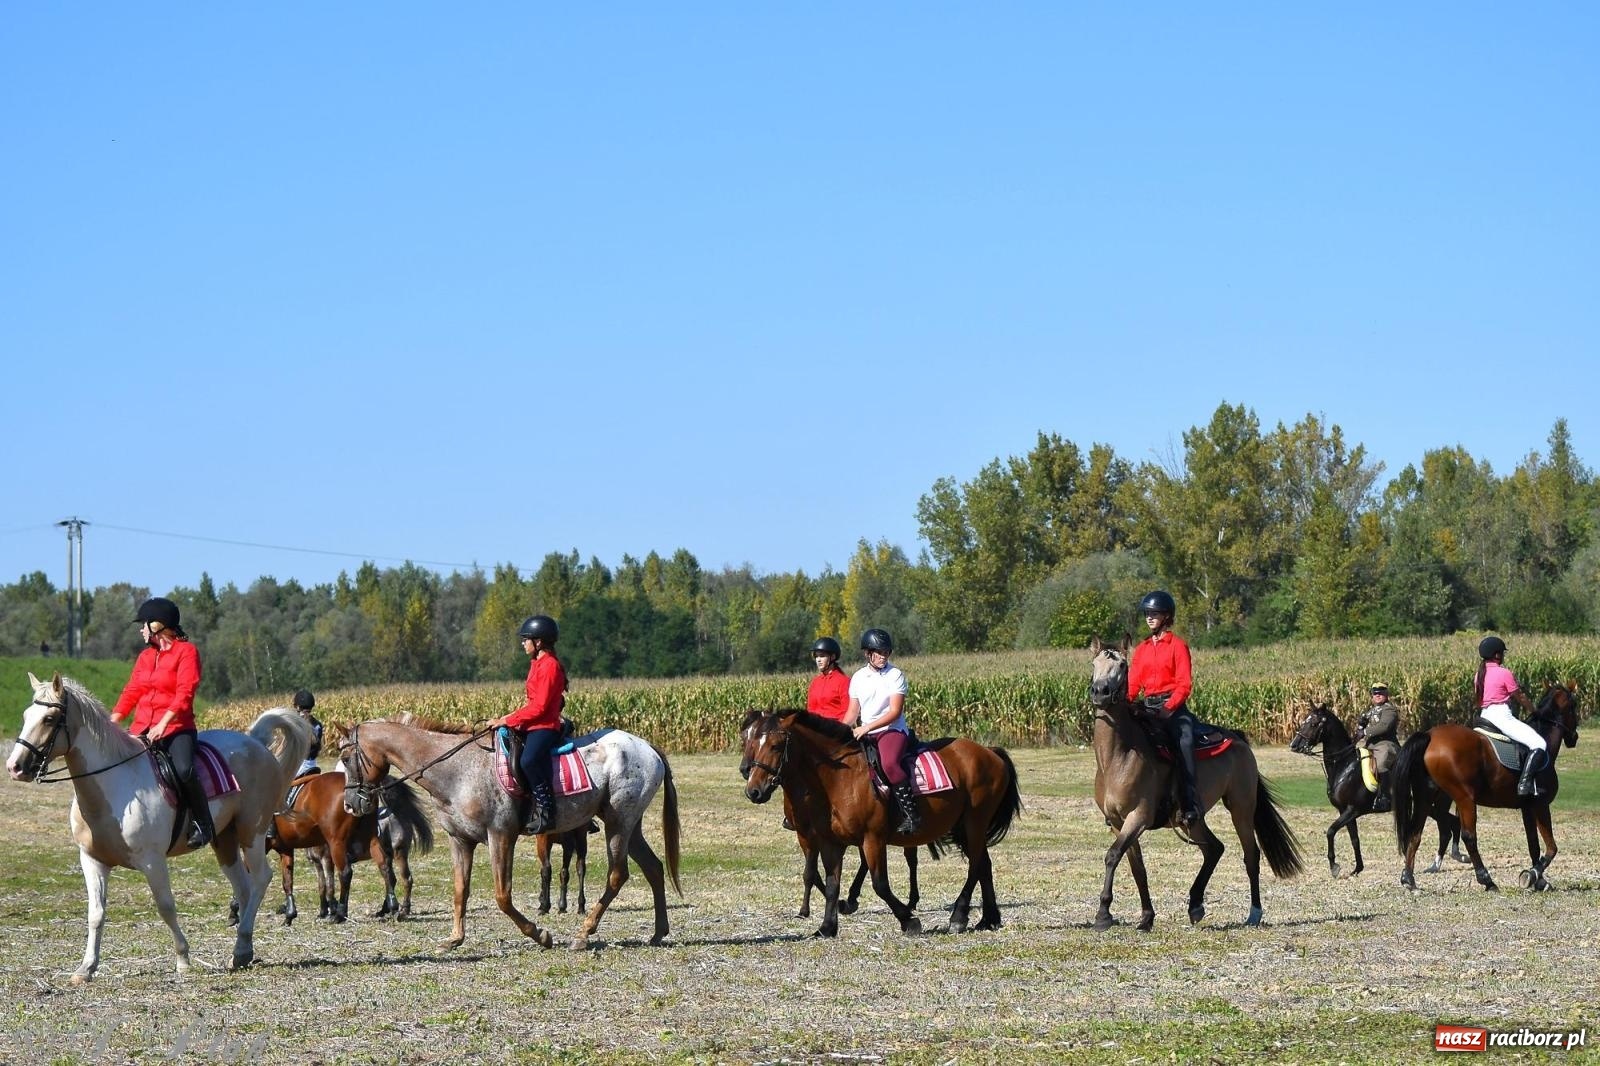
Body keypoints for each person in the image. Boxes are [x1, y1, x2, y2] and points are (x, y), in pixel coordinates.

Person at [111, 597, 211, 848]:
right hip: (141, 728)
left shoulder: (187, 652)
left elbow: (185, 694)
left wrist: (163, 724)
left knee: (184, 770)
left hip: (177, 729)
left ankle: (203, 823)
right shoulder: (145, 657)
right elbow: (132, 690)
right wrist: (113, 720)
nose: (140, 629)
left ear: (157, 625)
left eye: (143, 624)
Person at [1125, 590, 1201, 827]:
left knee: (1184, 742)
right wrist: (1126, 703)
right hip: (1147, 708)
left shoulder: (1178, 646)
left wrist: (1168, 708)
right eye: (1147, 613)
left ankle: (1189, 804)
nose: (1149, 617)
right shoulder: (1142, 649)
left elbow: (1184, 684)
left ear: (1167, 617)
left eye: (1154, 613)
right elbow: (1134, 683)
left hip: (1173, 709)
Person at [489, 615, 567, 833]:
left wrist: (507, 720)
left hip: (545, 726)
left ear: (539, 642)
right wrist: (505, 718)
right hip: (532, 724)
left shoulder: (550, 666)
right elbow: (530, 703)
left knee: (529, 760)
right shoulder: (536, 664)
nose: (523, 643)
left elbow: (540, 707)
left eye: (526, 639)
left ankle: (546, 811)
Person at [844, 628, 918, 834]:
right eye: (879, 652)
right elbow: (852, 713)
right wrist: (838, 731)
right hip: (865, 733)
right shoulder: (858, 677)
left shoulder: (895, 675)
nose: (884, 656)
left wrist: (866, 727)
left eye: (886, 652)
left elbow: (895, 712)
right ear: (868, 653)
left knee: (890, 763)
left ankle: (912, 815)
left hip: (891, 731)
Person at [1475, 635, 1546, 796]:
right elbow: (1519, 696)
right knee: (1539, 743)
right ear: (1497, 655)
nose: (1503, 656)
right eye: (1502, 653)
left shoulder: (1478, 674)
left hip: (1484, 716)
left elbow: (1478, 699)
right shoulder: (1504, 672)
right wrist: (1534, 711)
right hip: (1501, 716)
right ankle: (1524, 784)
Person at [1355, 683, 1401, 813]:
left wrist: (1365, 732)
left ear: (1386, 695)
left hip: (1386, 744)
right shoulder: (1371, 711)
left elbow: (1384, 726)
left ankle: (1386, 797)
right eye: (1375, 693)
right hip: (1370, 745)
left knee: (1380, 766)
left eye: (1381, 693)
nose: (1378, 695)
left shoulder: (1389, 710)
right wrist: (1360, 725)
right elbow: (1362, 723)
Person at [806, 637, 851, 721]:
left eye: (822, 656)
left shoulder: (844, 681)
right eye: (816, 656)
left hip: (835, 729)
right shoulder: (815, 682)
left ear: (833, 657)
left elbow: (847, 711)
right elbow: (810, 710)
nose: (818, 660)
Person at [292, 689, 324, 777]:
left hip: (298, 768)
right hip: (313, 766)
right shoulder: (318, 725)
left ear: (297, 707)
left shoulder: (294, 724)